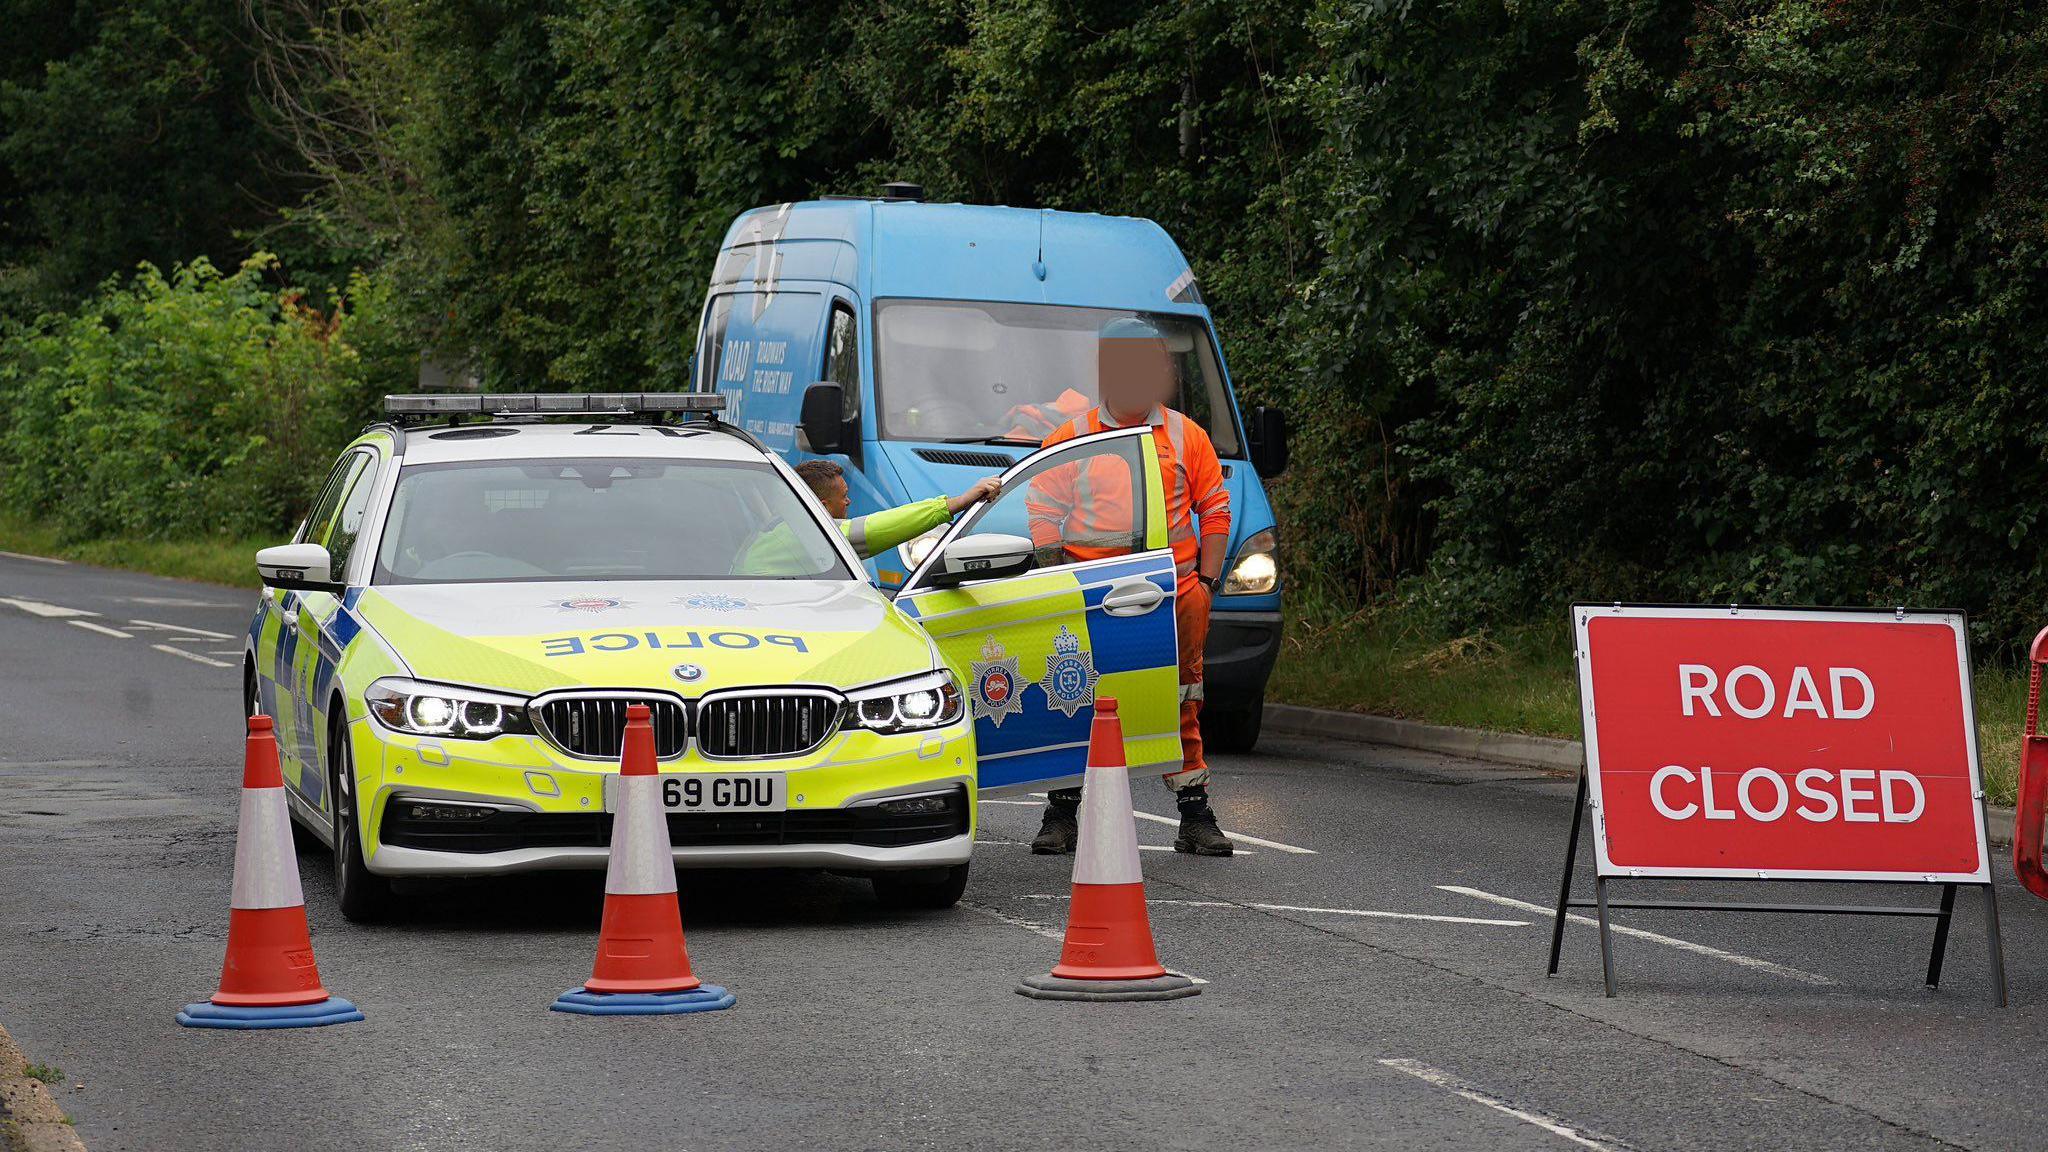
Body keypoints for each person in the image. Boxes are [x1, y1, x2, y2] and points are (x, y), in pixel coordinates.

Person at [1026, 316, 1233, 856]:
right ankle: (1062, 812)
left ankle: (1195, 814)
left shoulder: (1189, 436)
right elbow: (1043, 513)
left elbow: (1214, 511)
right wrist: (1057, 583)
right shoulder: (1069, 439)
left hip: (1172, 595)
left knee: (1181, 699)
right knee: (1075, 697)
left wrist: (1205, 584)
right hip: (1090, 594)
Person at [795, 459, 1001, 560]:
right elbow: (882, 526)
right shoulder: (813, 535)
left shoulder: (784, 526)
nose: (848, 502)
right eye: (843, 497)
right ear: (822, 506)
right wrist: (962, 500)